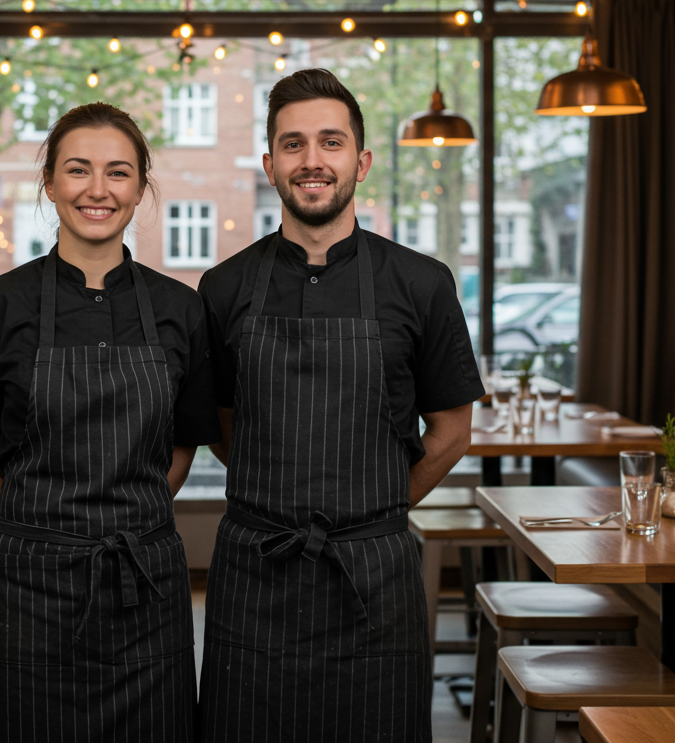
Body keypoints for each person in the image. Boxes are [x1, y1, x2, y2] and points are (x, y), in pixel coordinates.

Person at [197, 68, 484, 742]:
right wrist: (284, 497)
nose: (312, 160)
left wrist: (375, 510)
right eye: (292, 144)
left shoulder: (422, 283)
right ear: (270, 164)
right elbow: (221, 424)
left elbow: (452, 431)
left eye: (331, 141)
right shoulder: (223, 287)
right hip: (255, 571)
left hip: (374, 575)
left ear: (362, 160)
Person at [0, 102, 218, 742]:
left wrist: (128, 523)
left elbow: (182, 446)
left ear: (140, 188)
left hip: (144, 582)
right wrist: (37, 536)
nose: (97, 190)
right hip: (28, 589)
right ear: (50, 182)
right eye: (78, 169)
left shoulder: (180, 308)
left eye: (118, 172)